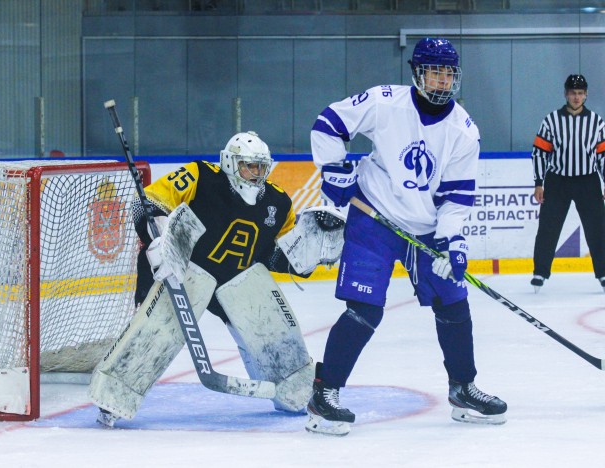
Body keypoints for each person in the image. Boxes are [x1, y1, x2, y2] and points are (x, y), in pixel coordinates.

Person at [305, 37, 507, 436]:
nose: (442, 81)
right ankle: (324, 394)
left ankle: (462, 387)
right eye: (435, 71)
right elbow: (329, 123)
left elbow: (455, 196)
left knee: (453, 302)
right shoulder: (385, 102)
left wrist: (453, 242)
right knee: (364, 310)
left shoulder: (464, 131)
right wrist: (332, 170)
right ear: (417, 73)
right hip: (374, 217)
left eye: (448, 73)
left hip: (427, 228)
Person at [89, 131, 345, 427]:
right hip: (182, 268)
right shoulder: (200, 175)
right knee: (155, 333)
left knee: (270, 334)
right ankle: (114, 398)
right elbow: (147, 204)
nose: (255, 174)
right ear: (229, 162)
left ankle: (292, 393)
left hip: (236, 278)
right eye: (249, 166)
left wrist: (309, 255)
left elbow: (277, 258)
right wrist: (156, 237)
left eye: (261, 167)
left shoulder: (279, 203)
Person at [530, 74, 605, 293]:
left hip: (588, 181)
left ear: (586, 95)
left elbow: (603, 156)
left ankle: (603, 273)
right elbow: (539, 152)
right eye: (573, 92)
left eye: (580, 93)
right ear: (565, 94)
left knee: (598, 230)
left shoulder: (597, 122)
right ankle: (540, 273)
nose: (576, 97)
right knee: (548, 228)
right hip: (558, 181)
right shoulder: (551, 120)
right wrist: (538, 182)